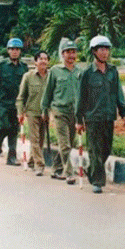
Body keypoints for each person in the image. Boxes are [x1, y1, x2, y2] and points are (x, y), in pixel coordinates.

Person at [75, 35, 125, 193]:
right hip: (92, 117)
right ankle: (97, 182)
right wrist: (79, 120)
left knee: (106, 149)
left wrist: (124, 113)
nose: (105, 52)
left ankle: (91, 170)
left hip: (108, 116)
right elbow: (80, 97)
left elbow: (118, 92)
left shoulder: (113, 71)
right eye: (101, 49)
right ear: (94, 51)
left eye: (107, 49)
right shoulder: (86, 73)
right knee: (95, 149)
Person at [41, 37, 83, 184]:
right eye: (68, 52)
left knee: (68, 144)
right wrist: (44, 109)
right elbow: (48, 92)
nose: (71, 55)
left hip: (75, 112)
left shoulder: (80, 72)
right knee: (64, 144)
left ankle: (56, 169)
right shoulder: (55, 71)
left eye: (73, 52)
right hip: (59, 111)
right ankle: (69, 173)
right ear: (63, 54)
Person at [0, 38, 28, 166]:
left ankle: (11, 157)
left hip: (17, 104)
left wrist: (25, 105)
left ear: (20, 51)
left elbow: (26, 88)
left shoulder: (24, 68)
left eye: (17, 49)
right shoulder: (1, 65)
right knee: (4, 125)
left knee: (14, 130)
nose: (14, 52)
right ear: (8, 50)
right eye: (12, 49)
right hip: (3, 102)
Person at [17, 50, 50, 175]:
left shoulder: (51, 76)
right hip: (32, 112)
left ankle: (31, 161)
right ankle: (40, 165)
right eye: (40, 59)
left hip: (45, 113)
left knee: (40, 140)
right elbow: (21, 96)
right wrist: (20, 112)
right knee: (34, 139)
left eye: (45, 59)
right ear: (35, 62)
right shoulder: (28, 76)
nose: (43, 61)